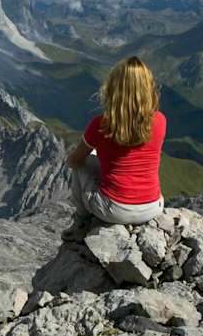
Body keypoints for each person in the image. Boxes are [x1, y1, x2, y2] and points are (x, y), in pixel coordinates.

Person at [66, 56, 165, 225]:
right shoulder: (160, 120)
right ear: (148, 87)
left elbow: (75, 160)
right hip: (153, 206)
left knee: (81, 163)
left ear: (114, 88)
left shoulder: (101, 124)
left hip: (115, 209)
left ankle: (80, 220)